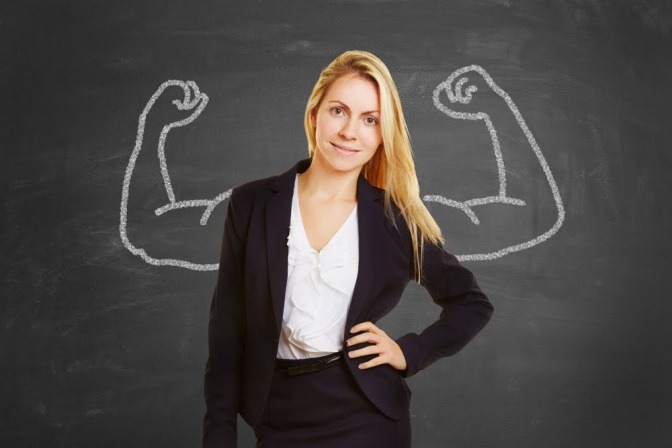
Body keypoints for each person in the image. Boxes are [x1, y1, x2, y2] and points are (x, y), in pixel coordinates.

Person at [202, 50, 494, 448]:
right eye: (339, 111)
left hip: (367, 416)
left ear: (382, 135)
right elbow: (226, 331)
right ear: (314, 115)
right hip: (276, 416)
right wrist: (218, 437)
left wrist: (410, 351)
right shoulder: (252, 203)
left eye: (370, 120)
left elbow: (471, 302)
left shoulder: (395, 218)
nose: (350, 132)